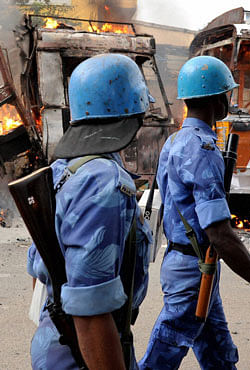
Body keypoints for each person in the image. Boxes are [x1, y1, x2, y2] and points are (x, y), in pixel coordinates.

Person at [139, 56, 250, 369]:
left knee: (219, 354)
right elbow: (221, 236)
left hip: (186, 263)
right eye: (227, 93)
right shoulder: (204, 149)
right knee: (161, 358)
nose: (229, 99)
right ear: (216, 98)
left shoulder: (175, 141)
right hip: (194, 272)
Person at [27, 54, 152, 369]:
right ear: (135, 108)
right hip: (85, 354)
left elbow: (39, 278)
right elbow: (90, 310)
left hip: (56, 344)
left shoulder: (61, 169)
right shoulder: (103, 180)